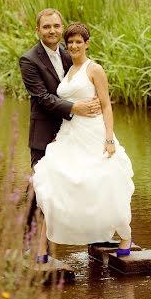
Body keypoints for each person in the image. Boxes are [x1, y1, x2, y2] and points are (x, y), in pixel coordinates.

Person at [31, 22, 134, 261]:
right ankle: (42, 247)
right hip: (70, 133)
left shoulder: (94, 69)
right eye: (71, 43)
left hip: (94, 133)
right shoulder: (68, 71)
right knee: (54, 181)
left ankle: (125, 236)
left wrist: (109, 139)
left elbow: (106, 105)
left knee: (105, 182)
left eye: (79, 42)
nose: (74, 46)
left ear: (87, 44)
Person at [19, 9, 100, 235]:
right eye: (46, 27)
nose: (52, 30)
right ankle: (27, 240)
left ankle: (93, 236)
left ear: (62, 28)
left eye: (56, 26)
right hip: (44, 132)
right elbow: (43, 98)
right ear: (38, 31)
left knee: (82, 180)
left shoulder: (69, 53)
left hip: (73, 131)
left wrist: (94, 102)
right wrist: (76, 108)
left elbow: (82, 82)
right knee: (38, 184)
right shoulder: (29, 60)